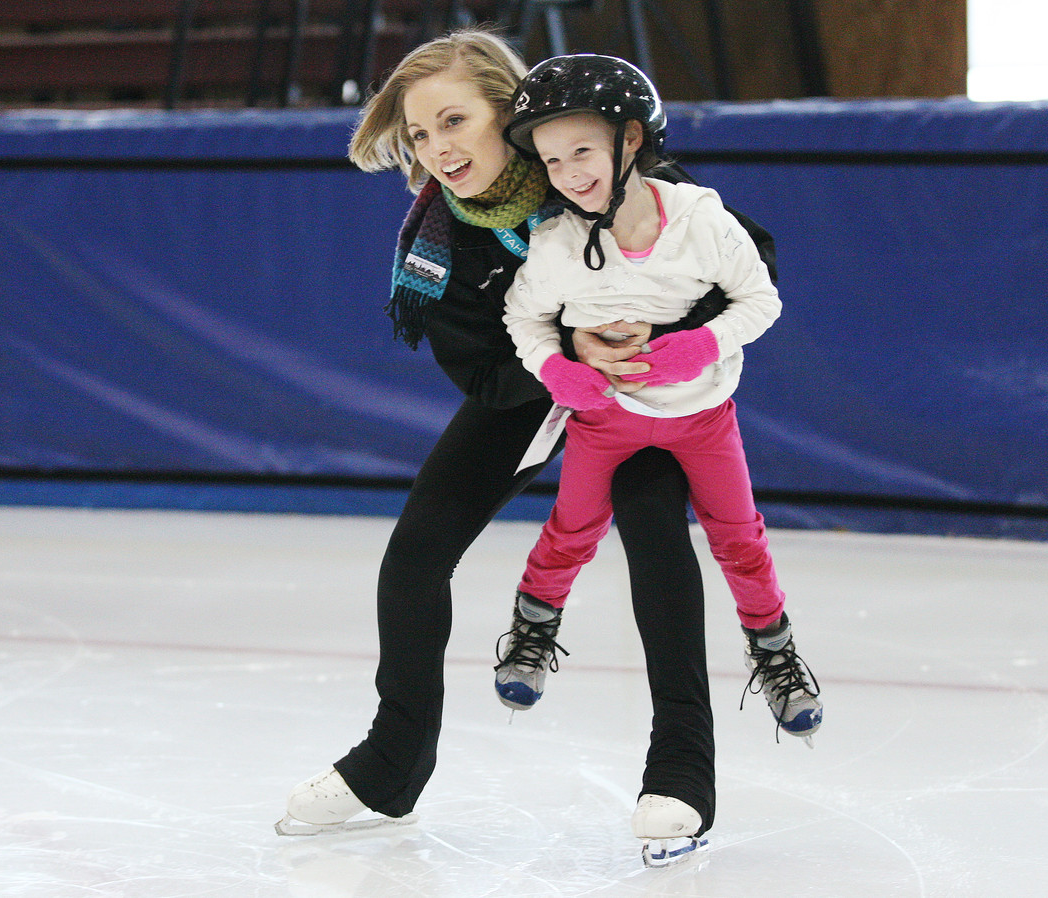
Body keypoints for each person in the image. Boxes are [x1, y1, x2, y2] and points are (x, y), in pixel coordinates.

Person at [275, 30, 774, 866]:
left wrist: (658, 340)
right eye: (420, 133)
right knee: (414, 557)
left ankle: (683, 772)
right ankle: (391, 765)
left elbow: (746, 260)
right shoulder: (437, 238)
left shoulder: (607, 174)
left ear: (513, 116)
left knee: (655, 536)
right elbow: (475, 365)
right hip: (531, 393)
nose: (436, 149)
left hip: (644, 389)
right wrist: (561, 364)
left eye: (454, 121)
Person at [497, 54, 822, 749]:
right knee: (572, 527)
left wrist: (703, 344)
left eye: (581, 150)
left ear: (633, 139)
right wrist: (555, 368)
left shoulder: (702, 221)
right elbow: (522, 318)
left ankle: (774, 652)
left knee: (740, 538)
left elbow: (761, 299)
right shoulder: (557, 243)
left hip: (702, 418)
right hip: (604, 421)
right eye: (552, 162)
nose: (569, 174)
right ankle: (533, 628)